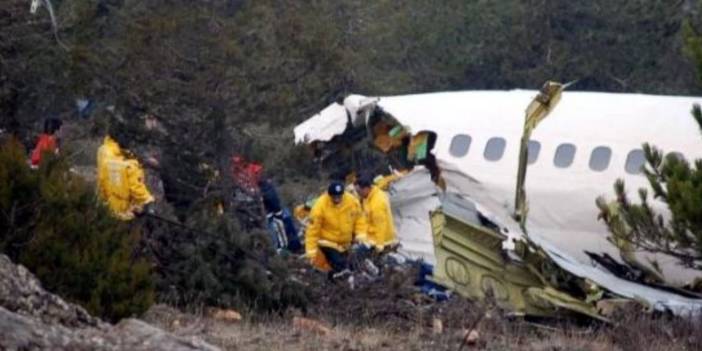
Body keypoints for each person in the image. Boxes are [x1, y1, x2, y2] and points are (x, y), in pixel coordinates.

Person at [305, 181, 367, 280]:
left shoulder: (352, 201)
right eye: (334, 197)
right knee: (339, 263)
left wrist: (361, 235)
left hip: (346, 242)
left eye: (339, 196)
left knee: (355, 260)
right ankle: (337, 279)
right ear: (329, 195)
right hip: (328, 242)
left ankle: (350, 277)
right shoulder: (319, 207)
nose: (337, 199)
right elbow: (312, 231)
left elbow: (359, 219)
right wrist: (311, 253)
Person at [96, 129, 155, 221]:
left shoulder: (103, 151)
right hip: (124, 213)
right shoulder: (130, 166)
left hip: (108, 208)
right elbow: (135, 187)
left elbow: (102, 180)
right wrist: (147, 200)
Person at [355, 174, 398, 252]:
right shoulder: (368, 197)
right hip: (371, 233)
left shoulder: (377, 202)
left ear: (366, 188)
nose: (358, 194)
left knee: (358, 253)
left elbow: (380, 225)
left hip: (381, 238)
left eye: (359, 192)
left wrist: (379, 244)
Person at [259, 177, 302, 252]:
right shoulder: (267, 186)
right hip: (276, 211)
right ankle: (293, 247)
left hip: (273, 213)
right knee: (284, 227)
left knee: (279, 229)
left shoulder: (263, 189)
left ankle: (287, 249)